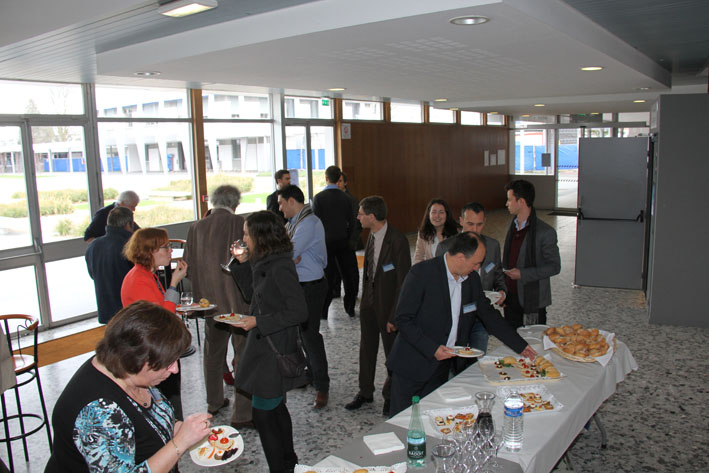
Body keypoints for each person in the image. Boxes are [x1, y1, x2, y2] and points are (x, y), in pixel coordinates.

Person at [45, 301, 212, 473]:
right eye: (168, 363)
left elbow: (149, 423)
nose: (175, 369)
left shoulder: (129, 371)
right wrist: (180, 443)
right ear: (137, 360)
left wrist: (184, 430)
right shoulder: (99, 411)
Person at [387, 232, 538, 417]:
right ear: (460, 257)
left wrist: (521, 346)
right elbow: (403, 319)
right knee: (401, 420)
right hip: (412, 365)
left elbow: (489, 315)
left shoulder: (471, 280)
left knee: (431, 418)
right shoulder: (421, 273)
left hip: (442, 368)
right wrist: (432, 349)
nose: (477, 268)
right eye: (475, 263)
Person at [228, 210, 308, 473]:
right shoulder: (263, 260)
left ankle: (281, 466)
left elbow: (299, 311)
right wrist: (241, 263)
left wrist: (258, 322)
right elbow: (252, 296)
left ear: (261, 236)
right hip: (265, 345)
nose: (244, 239)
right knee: (274, 408)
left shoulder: (281, 266)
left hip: (274, 347)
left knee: (263, 414)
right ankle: (289, 462)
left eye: (246, 234)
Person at [183, 185, 252, 425]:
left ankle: (214, 401)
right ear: (235, 203)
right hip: (238, 302)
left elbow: (188, 267)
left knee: (213, 353)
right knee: (242, 354)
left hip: (209, 304)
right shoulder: (239, 223)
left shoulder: (196, 227)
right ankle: (242, 413)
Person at [345, 196, 410, 417]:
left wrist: (395, 315)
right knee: (366, 349)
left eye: (361, 214)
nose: (358, 217)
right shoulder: (371, 236)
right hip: (369, 304)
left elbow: (403, 282)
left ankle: (391, 395)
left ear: (372, 217)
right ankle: (365, 392)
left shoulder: (397, 240)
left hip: (389, 307)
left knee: (392, 353)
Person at [121, 228, 188, 419]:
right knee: (167, 405)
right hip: (153, 354)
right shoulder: (139, 280)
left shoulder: (146, 274)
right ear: (149, 251)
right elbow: (162, 320)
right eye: (165, 247)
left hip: (157, 349)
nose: (170, 250)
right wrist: (174, 284)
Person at [277, 184, 330, 409]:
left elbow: (287, 252)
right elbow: (286, 251)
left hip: (312, 286)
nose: (280, 208)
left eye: (281, 203)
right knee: (301, 335)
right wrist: (289, 256)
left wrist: (290, 256)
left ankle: (322, 385)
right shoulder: (294, 223)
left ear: (291, 201)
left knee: (310, 336)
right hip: (299, 285)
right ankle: (310, 373)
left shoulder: (308, 223)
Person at [436, 202, 507, 354]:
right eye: (470, 224)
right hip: (455, 317)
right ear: (461, 221)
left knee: (477, 358)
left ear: (485, 222)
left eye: (479, 225)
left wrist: (502, 291)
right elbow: (438, 285)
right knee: (453, 359)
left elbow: (498, 274)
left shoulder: (492, 246)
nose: (475, 230)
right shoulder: (445, 248)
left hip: (480, 317)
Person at [503, 180, 561, 328]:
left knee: (532, 340)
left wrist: (523, 274)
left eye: (509, 199)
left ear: (521, 202)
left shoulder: (545, 232)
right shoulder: (512, 227)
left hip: (532, 300)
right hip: (511, 297)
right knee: (511, 338)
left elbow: (554, 267)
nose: (506, 204)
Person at [311, 165, 358, 318]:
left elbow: (315, 223)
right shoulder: (347, 198)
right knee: (348, 277)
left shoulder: (318, 198)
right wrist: (349, 240)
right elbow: (353, 222)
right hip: (344, 242)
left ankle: (323, 311)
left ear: (326, 178)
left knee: (328, 278)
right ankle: (350, 308)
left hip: (325, 244)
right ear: (339, 179)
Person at [85, 206, 135, 324]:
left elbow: (92, 275)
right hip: (129, 310)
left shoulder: (93, 246)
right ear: (128, 224)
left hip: (106, 309)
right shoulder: (129, 246)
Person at [330, 171, 364, 298]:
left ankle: (352, 293)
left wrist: (352, 242)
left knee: (350, 270)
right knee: (335, 269)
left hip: (348, 241)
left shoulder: (352, 200)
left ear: (345, 183)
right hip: (335, 241)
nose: (337, 183)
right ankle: (335, 291)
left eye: (340, 181)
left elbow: (357, 223)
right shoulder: (331, 198)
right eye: (336, 181)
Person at [413, 198, 459, 264]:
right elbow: (418, 257)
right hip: (431, 269)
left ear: (447, 214)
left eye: (441, 212)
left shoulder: (456, 232)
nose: (437, 216)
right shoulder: (423, 233)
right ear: (429, 215)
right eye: (434, 212)